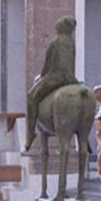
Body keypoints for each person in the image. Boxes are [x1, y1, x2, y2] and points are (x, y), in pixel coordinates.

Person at [26, 16, 79, 153]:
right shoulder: (71, 42)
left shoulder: (55, 42)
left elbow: (47, 65)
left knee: (31, 97)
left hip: (56, 77)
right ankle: (82, 135)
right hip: (70, 78)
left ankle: (30, 133)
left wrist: (42, 77)